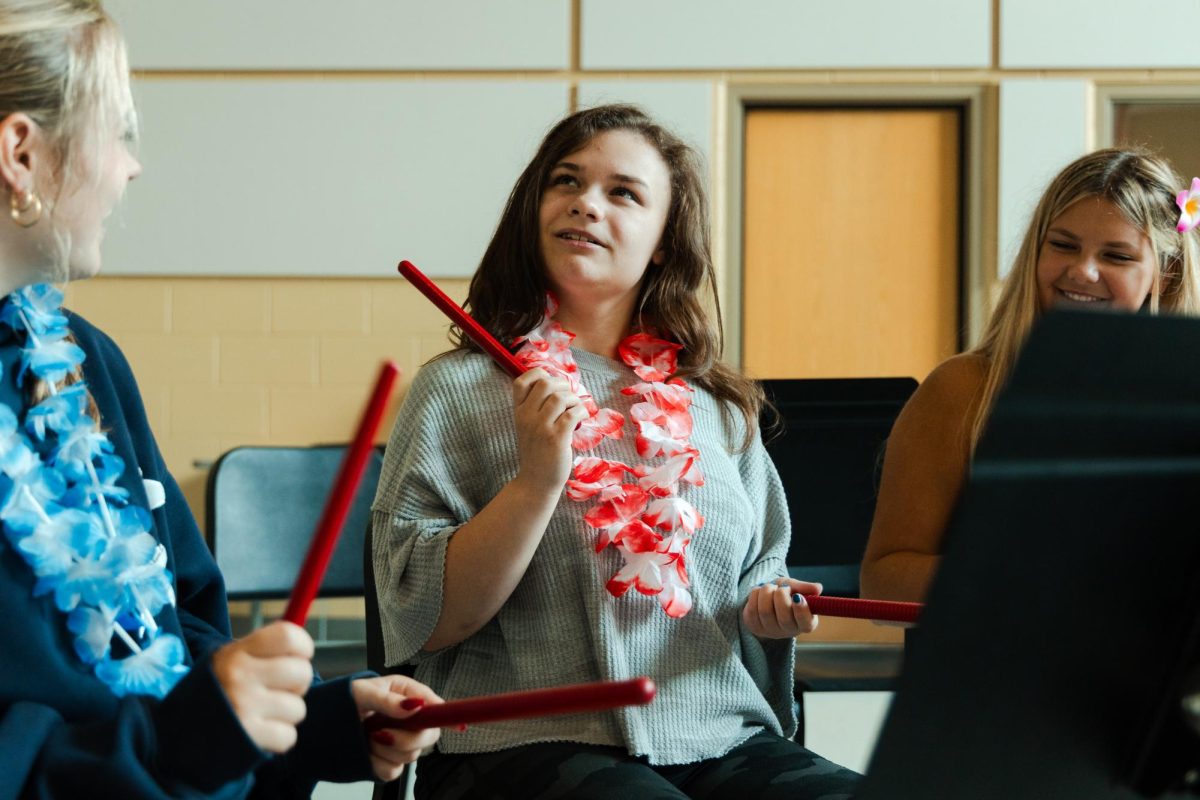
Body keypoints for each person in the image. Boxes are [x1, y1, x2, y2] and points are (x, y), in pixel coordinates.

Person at [0, 2, 441, 797]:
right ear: (20, 154)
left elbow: (179, 634)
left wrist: (307, 724)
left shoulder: (86, 364)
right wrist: (177, 745)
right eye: (118, 131)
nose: (130, 167)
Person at [371, 103, 859, 800]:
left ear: (664, 239)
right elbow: (428, 620)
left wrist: (767, 611)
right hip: (521, 742)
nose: (584, 205)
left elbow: (756, 580)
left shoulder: (717, 409)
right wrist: (539, 479)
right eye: (565, 182)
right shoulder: (457, 390)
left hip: (717, 735)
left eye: (622, 192)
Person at [860, 148, 1200, 603]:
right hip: (996, 669)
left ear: (1166, 272)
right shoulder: (963, 391)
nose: (1082, 270)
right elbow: (884, 579)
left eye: (1117, 256)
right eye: (1062, 245)